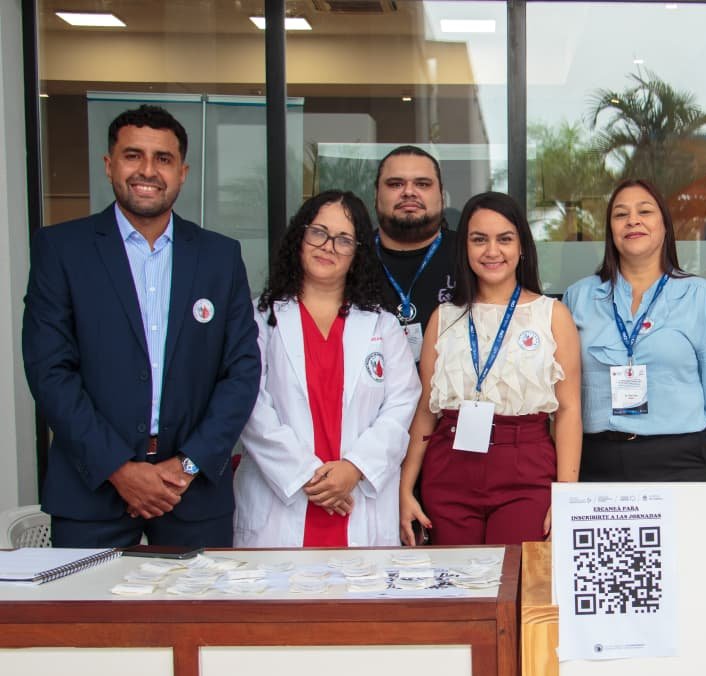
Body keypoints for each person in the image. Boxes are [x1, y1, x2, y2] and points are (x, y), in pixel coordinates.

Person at [22, 104, 259, 676]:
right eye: (133, 155)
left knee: (200, 667)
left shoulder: (219, 255)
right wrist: (119, 468)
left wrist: (185, 466)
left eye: (162, 158)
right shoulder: (62, 248)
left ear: (183, 172)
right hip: (93, 490)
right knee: (98, 667)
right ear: (109, 164)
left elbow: (241, 372)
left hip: (193, 491)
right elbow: (50, 371)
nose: (147, 170)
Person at [563, 178, 706, 676]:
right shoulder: (580, 298)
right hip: (601, 464)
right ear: (608, 228)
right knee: (614, 615)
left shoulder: (699, 297)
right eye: (620, 213)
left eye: (645, 211)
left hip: (677, 461)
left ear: (665, 225)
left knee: (681, 615)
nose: (632, 221)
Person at [233, 190, 420, 550]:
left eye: (344, 239)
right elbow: (249, 404)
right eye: (318, 232)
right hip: (283, 498)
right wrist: (306, 475)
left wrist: (355, 467)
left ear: (358, 252)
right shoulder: (260, 318)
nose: (328, 247)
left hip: (357, 498)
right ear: (299, 237)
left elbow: (402, 405)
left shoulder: (382, 325)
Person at [398, 191, 581, 546]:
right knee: (456, 578)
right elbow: (425, 410)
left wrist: (567, 496)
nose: (492, 251)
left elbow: (569, 411)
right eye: (479, 239)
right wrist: (405, 488)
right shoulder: (443, 317)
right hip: (449, 468)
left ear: (522, 246)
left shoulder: (552, 315)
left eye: (505, 239)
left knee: (515, 576)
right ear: (465, 247)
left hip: (526, 467)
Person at [373, 145, 457, 361]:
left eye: (422, 184)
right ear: (376, 195)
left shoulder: (469, 255)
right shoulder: (348, 257)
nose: (409, 192)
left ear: (442, 195)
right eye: (395, 184)